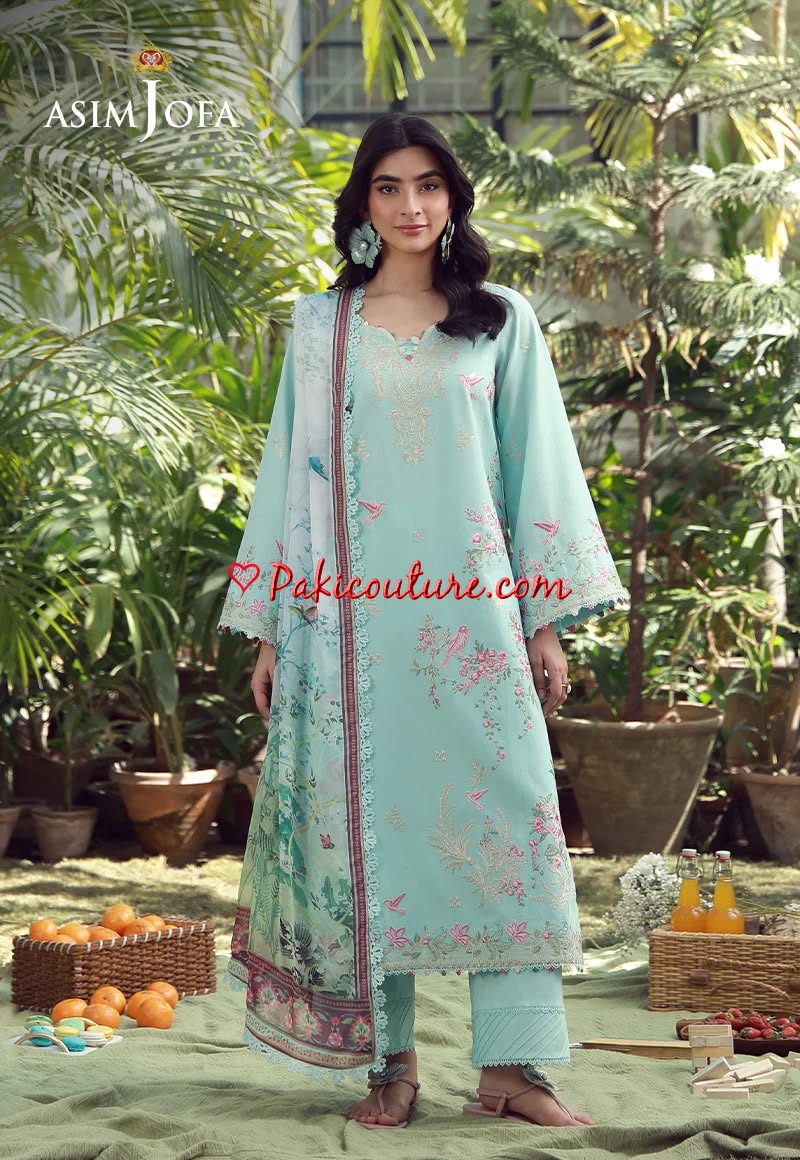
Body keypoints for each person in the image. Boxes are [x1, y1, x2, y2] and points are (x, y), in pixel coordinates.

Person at [218, 112, 627, 1131]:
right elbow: (288, 478)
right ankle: (389, 1063)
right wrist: (271, 630)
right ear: (364, 203)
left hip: (473, 624)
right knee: (368, 834)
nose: (411, 205)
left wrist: (542, 621)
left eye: (429, 185)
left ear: (453, 198)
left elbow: (538, 470)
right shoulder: (323, 326)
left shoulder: (499, 319)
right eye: (389, 186)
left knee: (511, 821)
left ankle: (513, 1069)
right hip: (347, 637)